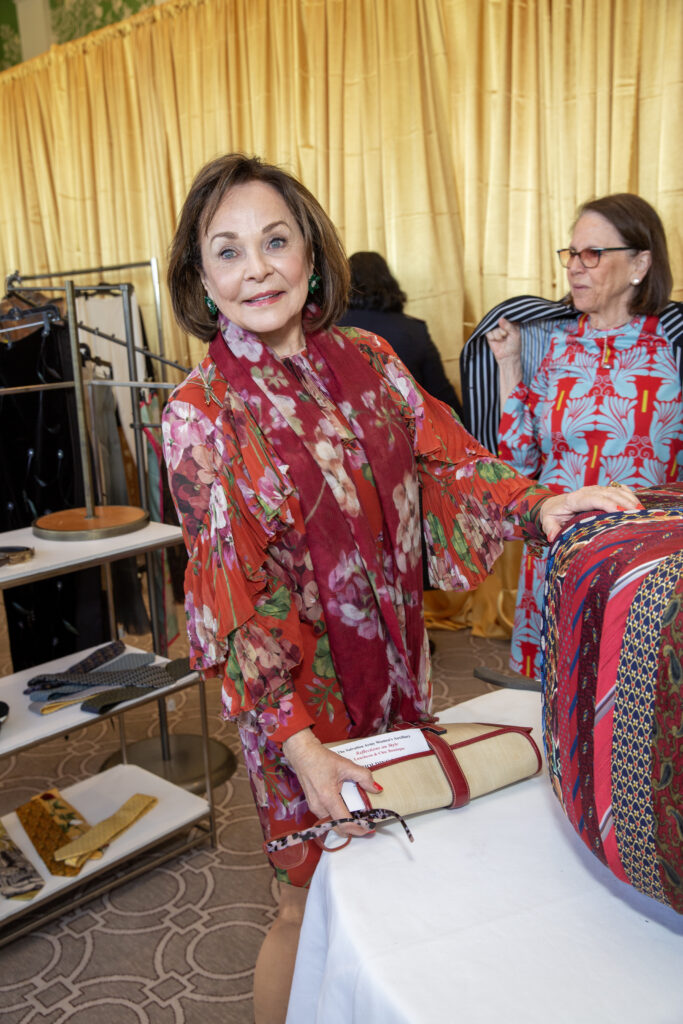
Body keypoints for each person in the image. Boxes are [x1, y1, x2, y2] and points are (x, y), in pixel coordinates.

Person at [161, 156, 641, 1023]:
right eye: (226, 252)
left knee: (404, 875)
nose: (256, 268)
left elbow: (450, 462)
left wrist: (541, 502)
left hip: (397, 669)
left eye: (274, 240)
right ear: (200, 276)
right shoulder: (202, 411)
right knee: (303, 900)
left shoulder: (371, 359)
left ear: (311, 250)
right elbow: (228, 596)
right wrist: (298, 748)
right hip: (296, 708)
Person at [487, 193, 683, 681]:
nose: (575, 267)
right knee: (554, 717)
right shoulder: (555, 344)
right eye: (571, 254)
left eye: (592, 254)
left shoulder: (673, 345)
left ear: (640, 262)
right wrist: (509, 365)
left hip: (640, 569)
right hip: (557, 557)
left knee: (633, 713)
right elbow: (517, 461)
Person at [337, 250, 464, 417]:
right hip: (409, 434)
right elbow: (442, 396)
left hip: (347, 434)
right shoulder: (415, 330)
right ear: (389, 284)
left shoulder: (329, 331)